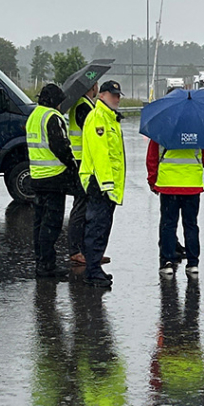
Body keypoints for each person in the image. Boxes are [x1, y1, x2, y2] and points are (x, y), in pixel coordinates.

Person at [26, 83, 78, 278]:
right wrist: (72, 163)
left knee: (39, 222)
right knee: (52, 223)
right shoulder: (52, 117)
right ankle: (47, 265)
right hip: (54, 178)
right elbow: (60, 146)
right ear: (55, 101)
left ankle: (41, 261)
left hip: (37, 176)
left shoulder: (34, 116)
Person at [147, 134, 204, 277]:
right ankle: (193, 263)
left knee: (168, 224)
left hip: (168, 184)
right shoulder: (200, 130)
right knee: (191, 225)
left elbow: (152, 158)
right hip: (192, 184)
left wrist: (152, 180)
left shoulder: (162, 129)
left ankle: (167, 262)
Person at [80, 80, 126, 288]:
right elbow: (101, 155)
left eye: (118, 95)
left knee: (102, 226)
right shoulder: (99, 118)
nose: (116, 98)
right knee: (96, 227)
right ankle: (92, 270)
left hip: (107, 185)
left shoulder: (110, 119)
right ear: (101, 95)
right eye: (112, 95)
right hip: (100, 183)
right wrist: (106, 184)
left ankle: (95, 267)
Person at [67, 82, 108, 266]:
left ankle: (86, 250)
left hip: (83, 159)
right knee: (81, 205)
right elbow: (90, 131)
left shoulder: (85, 104)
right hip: (80, 160)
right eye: (96, 84)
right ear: (93, 86)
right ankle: (76, 250)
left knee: (85, 204)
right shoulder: (83, 106)